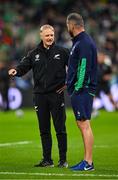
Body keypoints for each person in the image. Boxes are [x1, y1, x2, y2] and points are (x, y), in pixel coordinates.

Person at [8, 24, 69, 168]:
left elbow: (73, 68)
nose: (49, 38)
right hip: (40, 96)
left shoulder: (63, 51)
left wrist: (68, 83)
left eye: (51, 35)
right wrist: (15, 70)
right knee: (44, 129)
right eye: (47, 35)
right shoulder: (33, 53)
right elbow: (23, 67)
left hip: (56, 95)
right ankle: (47, 160)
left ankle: (63, 160)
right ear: (41, 36)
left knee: (60, 128)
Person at [66, 13, 98, 171]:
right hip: (83, 89)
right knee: (83, 124)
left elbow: (83, 66)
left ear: (72, 25)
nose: (67, 29)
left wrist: (76, 88)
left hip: (83, 89)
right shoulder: (81, 41)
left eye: (67, 26)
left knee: (84, 124)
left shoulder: (83, 42)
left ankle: (88, 162)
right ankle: (87, 161)